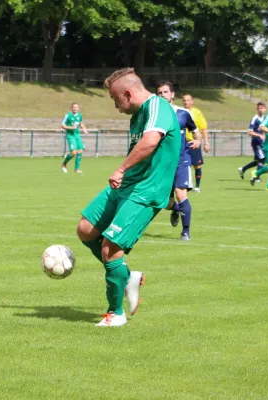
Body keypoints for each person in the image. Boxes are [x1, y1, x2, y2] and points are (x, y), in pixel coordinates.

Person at [76, 68, 180, 327]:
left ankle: (116, 313)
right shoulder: (137, 115)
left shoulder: (157, 106)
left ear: (128, 93)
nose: (115, 106)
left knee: (110, 249)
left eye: (115, 99)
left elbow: (151, 141)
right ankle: (127, 276)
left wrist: (121, 168)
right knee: (86, 229)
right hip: (127, 186)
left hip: (146, 191)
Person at [156, 81, 200, 241]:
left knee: (181, 194)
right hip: (163, 163)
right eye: (160, 93)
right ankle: (175, 209)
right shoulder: (154, 115)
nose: (163, 95)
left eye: (165, 92)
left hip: (182, 160)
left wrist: (199, 141)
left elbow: (196, 132)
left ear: (172, 94)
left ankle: (185, 232)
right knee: (163, 202)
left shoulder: (182, 114)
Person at [182, 94, 209, 192]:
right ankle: (186, 185)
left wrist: (206, 143)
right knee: (184, 165)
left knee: (197, 165)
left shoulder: (197, 113)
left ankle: (197, 186)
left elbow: (203, 128)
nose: (186, 102)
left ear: (192, 101)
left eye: (188, 100)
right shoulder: (180, 113)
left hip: (194, 143)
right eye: (184, 100)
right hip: (183, 143)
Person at [238, 102, 267, 181]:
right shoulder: (255, 118)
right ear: (257, 109)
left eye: (262, 108)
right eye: (259, 108)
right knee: (262, 159)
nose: (261, 110)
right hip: (256, 142)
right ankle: (257, 177)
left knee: (259, 161)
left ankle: (243, 169)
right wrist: (259, 135)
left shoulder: (266, 118)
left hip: (262, 142)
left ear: (265, 109)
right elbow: (249, 132)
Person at [60, 103, 89, 174]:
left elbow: (80, 123)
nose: (75, 109)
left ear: (78, 108)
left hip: (77, 135)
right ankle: (64, 164)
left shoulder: (79, 115)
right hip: (70, 135)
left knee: (80, 151)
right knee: (73, 153)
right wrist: (71, 128)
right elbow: (62, 125)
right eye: (73, 107)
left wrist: (84, 128)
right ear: (71, 108)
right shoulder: (68, 116)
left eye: (76, 107)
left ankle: (76, 169)